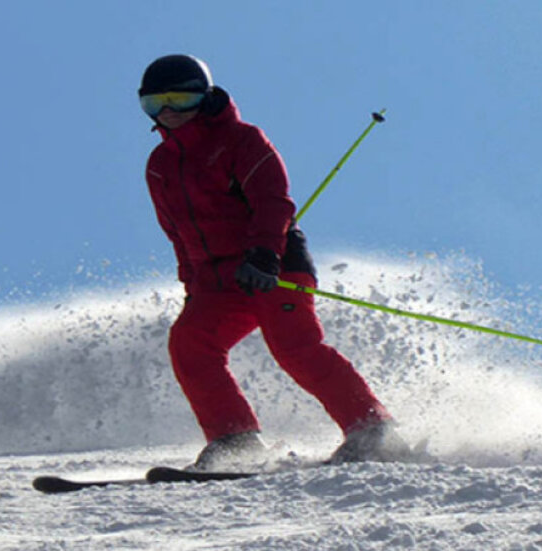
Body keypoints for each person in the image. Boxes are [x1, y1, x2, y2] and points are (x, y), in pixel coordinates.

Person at [139, 54, 398, 469]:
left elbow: (273, 201)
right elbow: (178, 234)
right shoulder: (160, 166)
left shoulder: (242, 139)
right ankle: (234, 441)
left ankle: (371, 429)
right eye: (155, 104)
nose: (168, 111)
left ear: (203, 99)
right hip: (220, 282)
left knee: (294, 346)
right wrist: (194, 288)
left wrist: (263, 256)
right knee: (190, 343)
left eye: (180, 99)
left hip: (274, 264)